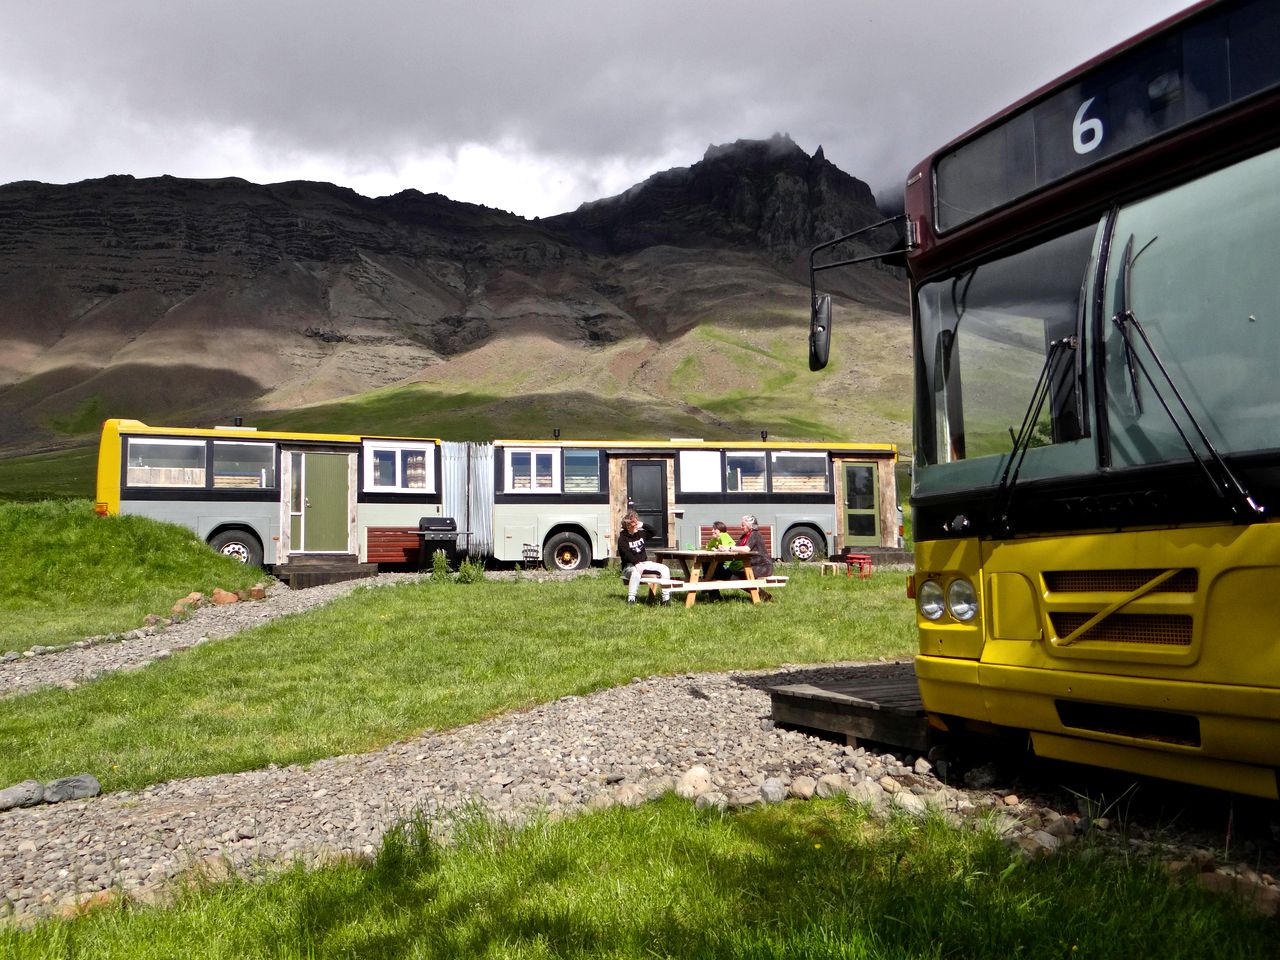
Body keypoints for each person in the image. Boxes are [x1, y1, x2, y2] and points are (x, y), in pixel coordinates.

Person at [617, 510, 672, 605]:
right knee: (636, 572)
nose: (636, 524)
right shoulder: (622, 539)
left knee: (664, 569)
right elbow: (626, 554)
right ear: (628, 526)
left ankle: (666, 599)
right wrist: (636, 563)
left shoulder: (640, 534)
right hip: (629, 566)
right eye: (634, 523)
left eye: (637, 521)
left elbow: (654, 531)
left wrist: (642, 525)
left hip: (644, 563)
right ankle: (631, 599)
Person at [735, 513, 775, 584]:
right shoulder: (744, 536)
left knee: (737, 575)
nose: (741, 527)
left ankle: (757, 594)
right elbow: (735, 547)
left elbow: (746, 549)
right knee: (734, 576)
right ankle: (758, 594)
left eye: (743, 525)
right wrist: (724, 548)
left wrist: (730, 548)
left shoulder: (755, 534)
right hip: (754, 566)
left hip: (764, 567)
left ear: (749, 525)